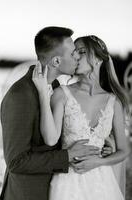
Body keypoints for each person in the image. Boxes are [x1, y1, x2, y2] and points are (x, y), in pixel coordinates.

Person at [0, 27, 105, 200]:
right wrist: (68, 155)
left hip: (57, 190)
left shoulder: (55, 87)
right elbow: (16, 162)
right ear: (56, 61)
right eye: (73, 54)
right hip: (26, 194)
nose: (77, 57)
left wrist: (95, 145)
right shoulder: (20, 95)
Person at [33, 35, 130, 200]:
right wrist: (43, 93)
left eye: (82, 52)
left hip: (104, 185)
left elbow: (123, 151)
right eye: (73, 53)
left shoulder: (114, 102)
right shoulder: (61, 94)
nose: (75, 56)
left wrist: (99, 161)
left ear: (99, 58)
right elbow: (50, 139)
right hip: (67, 184)